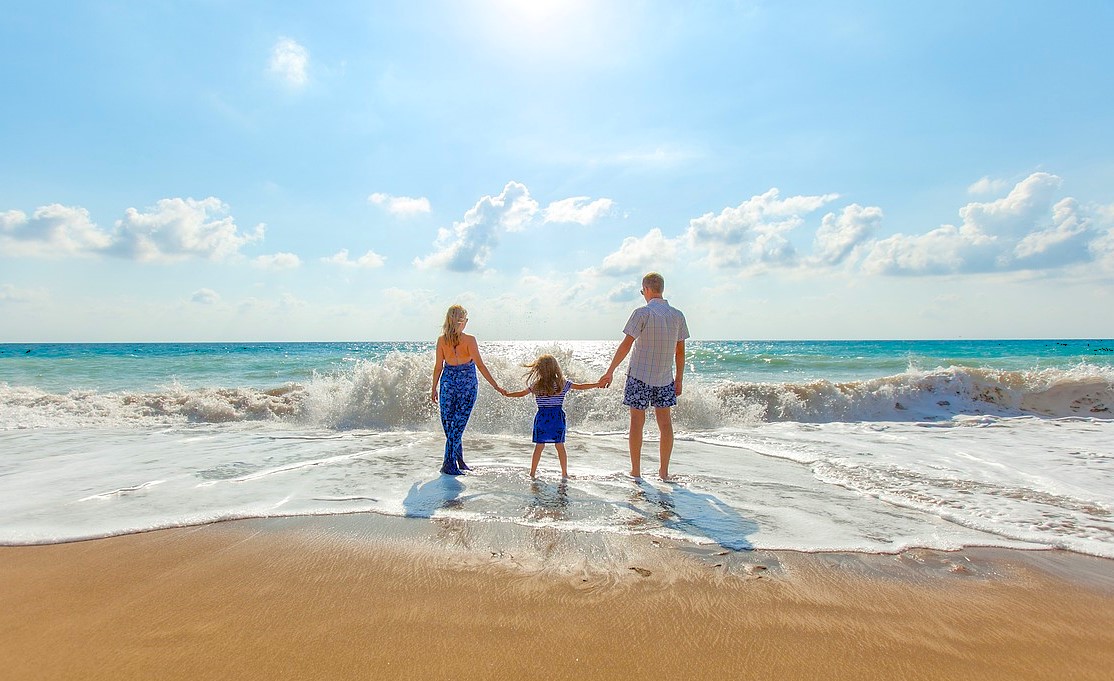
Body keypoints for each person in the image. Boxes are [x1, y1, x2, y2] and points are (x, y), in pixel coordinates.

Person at [598, 272, 689, 480]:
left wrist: (610, 371)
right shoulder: (677, 315)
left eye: (642, 291)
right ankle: (664, 472)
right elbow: (680, 352)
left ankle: (636, 471)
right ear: (661, 289)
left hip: (639, 375)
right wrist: (680, 379)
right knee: (665, 424)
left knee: (636, 423)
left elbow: (626, 345)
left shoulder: (642, 313)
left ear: (647, 289)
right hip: (665, 377)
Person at [431, 305, 503, 475]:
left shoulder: (442, 340)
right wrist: (496, 385)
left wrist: (434, 387)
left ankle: (458, 461)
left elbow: (438, 367)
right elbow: (480, 365)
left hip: (448, 384)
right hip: (466, 385)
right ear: (462, 321)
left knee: (453, 426)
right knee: (455, 426)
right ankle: (449, 464)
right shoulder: (469, 340)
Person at [502, 354, 600, 479]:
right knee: (560, 446)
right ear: (556, 368)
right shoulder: (562, 384)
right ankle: (564, 473)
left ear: (539, 369)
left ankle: (532, 473)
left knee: (539, 446)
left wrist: (508, 394)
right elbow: (580, 387)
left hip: (542, 418)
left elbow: (521, 394)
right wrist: (597, 384)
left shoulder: (537, 385)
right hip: (557, 418)